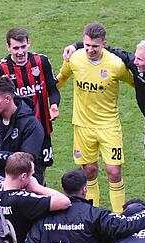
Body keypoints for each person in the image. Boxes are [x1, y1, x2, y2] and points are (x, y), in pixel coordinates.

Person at [63, 39, 145, 214]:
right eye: (136, 57)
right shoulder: (134, 63)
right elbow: (104, 46)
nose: (134, 62)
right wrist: (76, 45)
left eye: (140, 60)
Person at [56, 23, 134, 213]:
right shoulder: (74, 58)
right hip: (83, 125)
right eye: (87, 45)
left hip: (109, 126)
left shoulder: (115, 65)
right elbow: (61, 78)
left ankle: (118, 217)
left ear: (104, 44)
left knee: (114, 172)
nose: (90, 50)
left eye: (95, 46)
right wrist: (44, 98)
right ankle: (93, 215)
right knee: (89, 172)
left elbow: (135, 82)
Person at [0, 28, 60, 177]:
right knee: (15, 170)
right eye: (15, 48)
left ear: (28, 43)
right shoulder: (0, 69)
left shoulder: (42, 62)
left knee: (39, 170)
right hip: (14, 131)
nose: (20, 52)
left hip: (41, 128)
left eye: (23, 47)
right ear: (8, 47)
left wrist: (54, 105)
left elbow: (53, 90)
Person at [0, 76, 45, 182]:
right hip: (0, 179)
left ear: (8, 99)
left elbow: (27, 159)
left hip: (27, 180)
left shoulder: (31, 123)